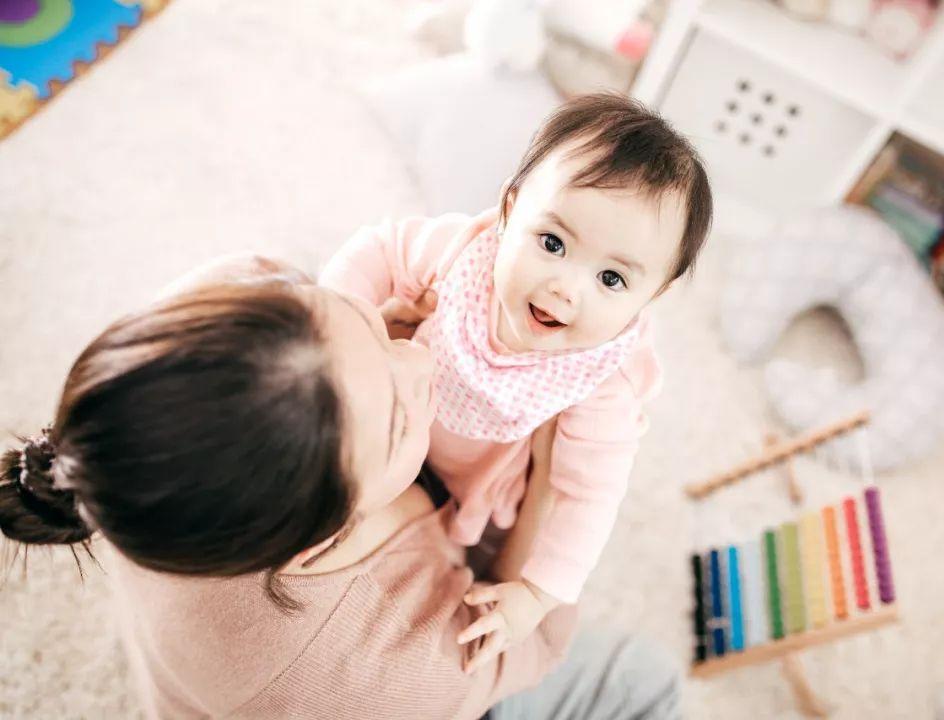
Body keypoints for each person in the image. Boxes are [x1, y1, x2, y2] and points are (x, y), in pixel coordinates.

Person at [0, 262, 682, 719]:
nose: (420, 357)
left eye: (358, 323)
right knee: (646, 678)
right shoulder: (379, 664)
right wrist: (547, 483)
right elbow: (534, 645)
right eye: (395, 420)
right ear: (322, 534)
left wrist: (363, 355)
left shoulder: (142, 425)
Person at [320, 91, 713, 663]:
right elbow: (378, 251)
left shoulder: (603, 382)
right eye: (551, 243)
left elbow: (589, 497)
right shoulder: (463, 252)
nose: (566, 288)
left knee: (491, 553)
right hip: (406, 413)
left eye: (611, 279)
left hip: (487, 482)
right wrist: (335, 326)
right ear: (509, 211)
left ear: (655, 295)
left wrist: (534, 594)